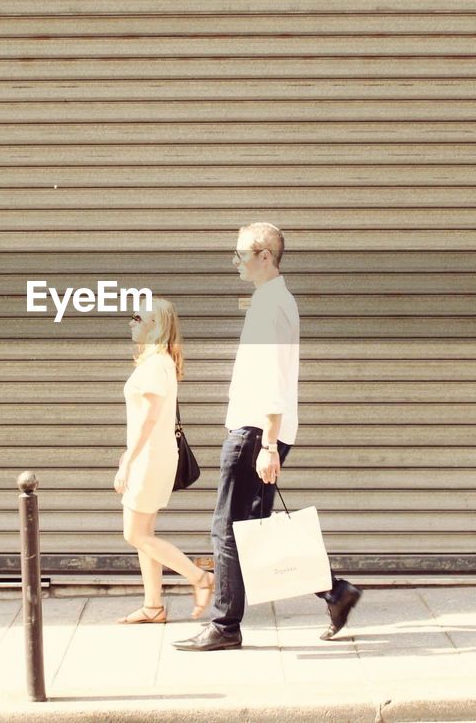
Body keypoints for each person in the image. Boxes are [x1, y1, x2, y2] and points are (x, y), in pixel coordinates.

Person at [174, 223, 361, 651]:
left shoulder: (271, 304)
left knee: (227, 529)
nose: (234, 261)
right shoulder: (273, 300)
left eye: (240, 253)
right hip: (260, 429)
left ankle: (225, 625)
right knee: (251, 529)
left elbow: (273, 377)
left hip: (255, 432)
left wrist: (269, 444)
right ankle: (334, 591)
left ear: (264, 255)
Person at [114, 296, 215, 624]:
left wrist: (128, 460)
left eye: (137, 318)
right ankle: (153, 606)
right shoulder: (157, 361)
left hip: (149, 459)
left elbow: (150, 417)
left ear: (155, 325)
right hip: (150, 456)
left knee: (135, 533)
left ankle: (200, 578)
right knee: (146, 531)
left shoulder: (157, 363)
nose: (131, 323)